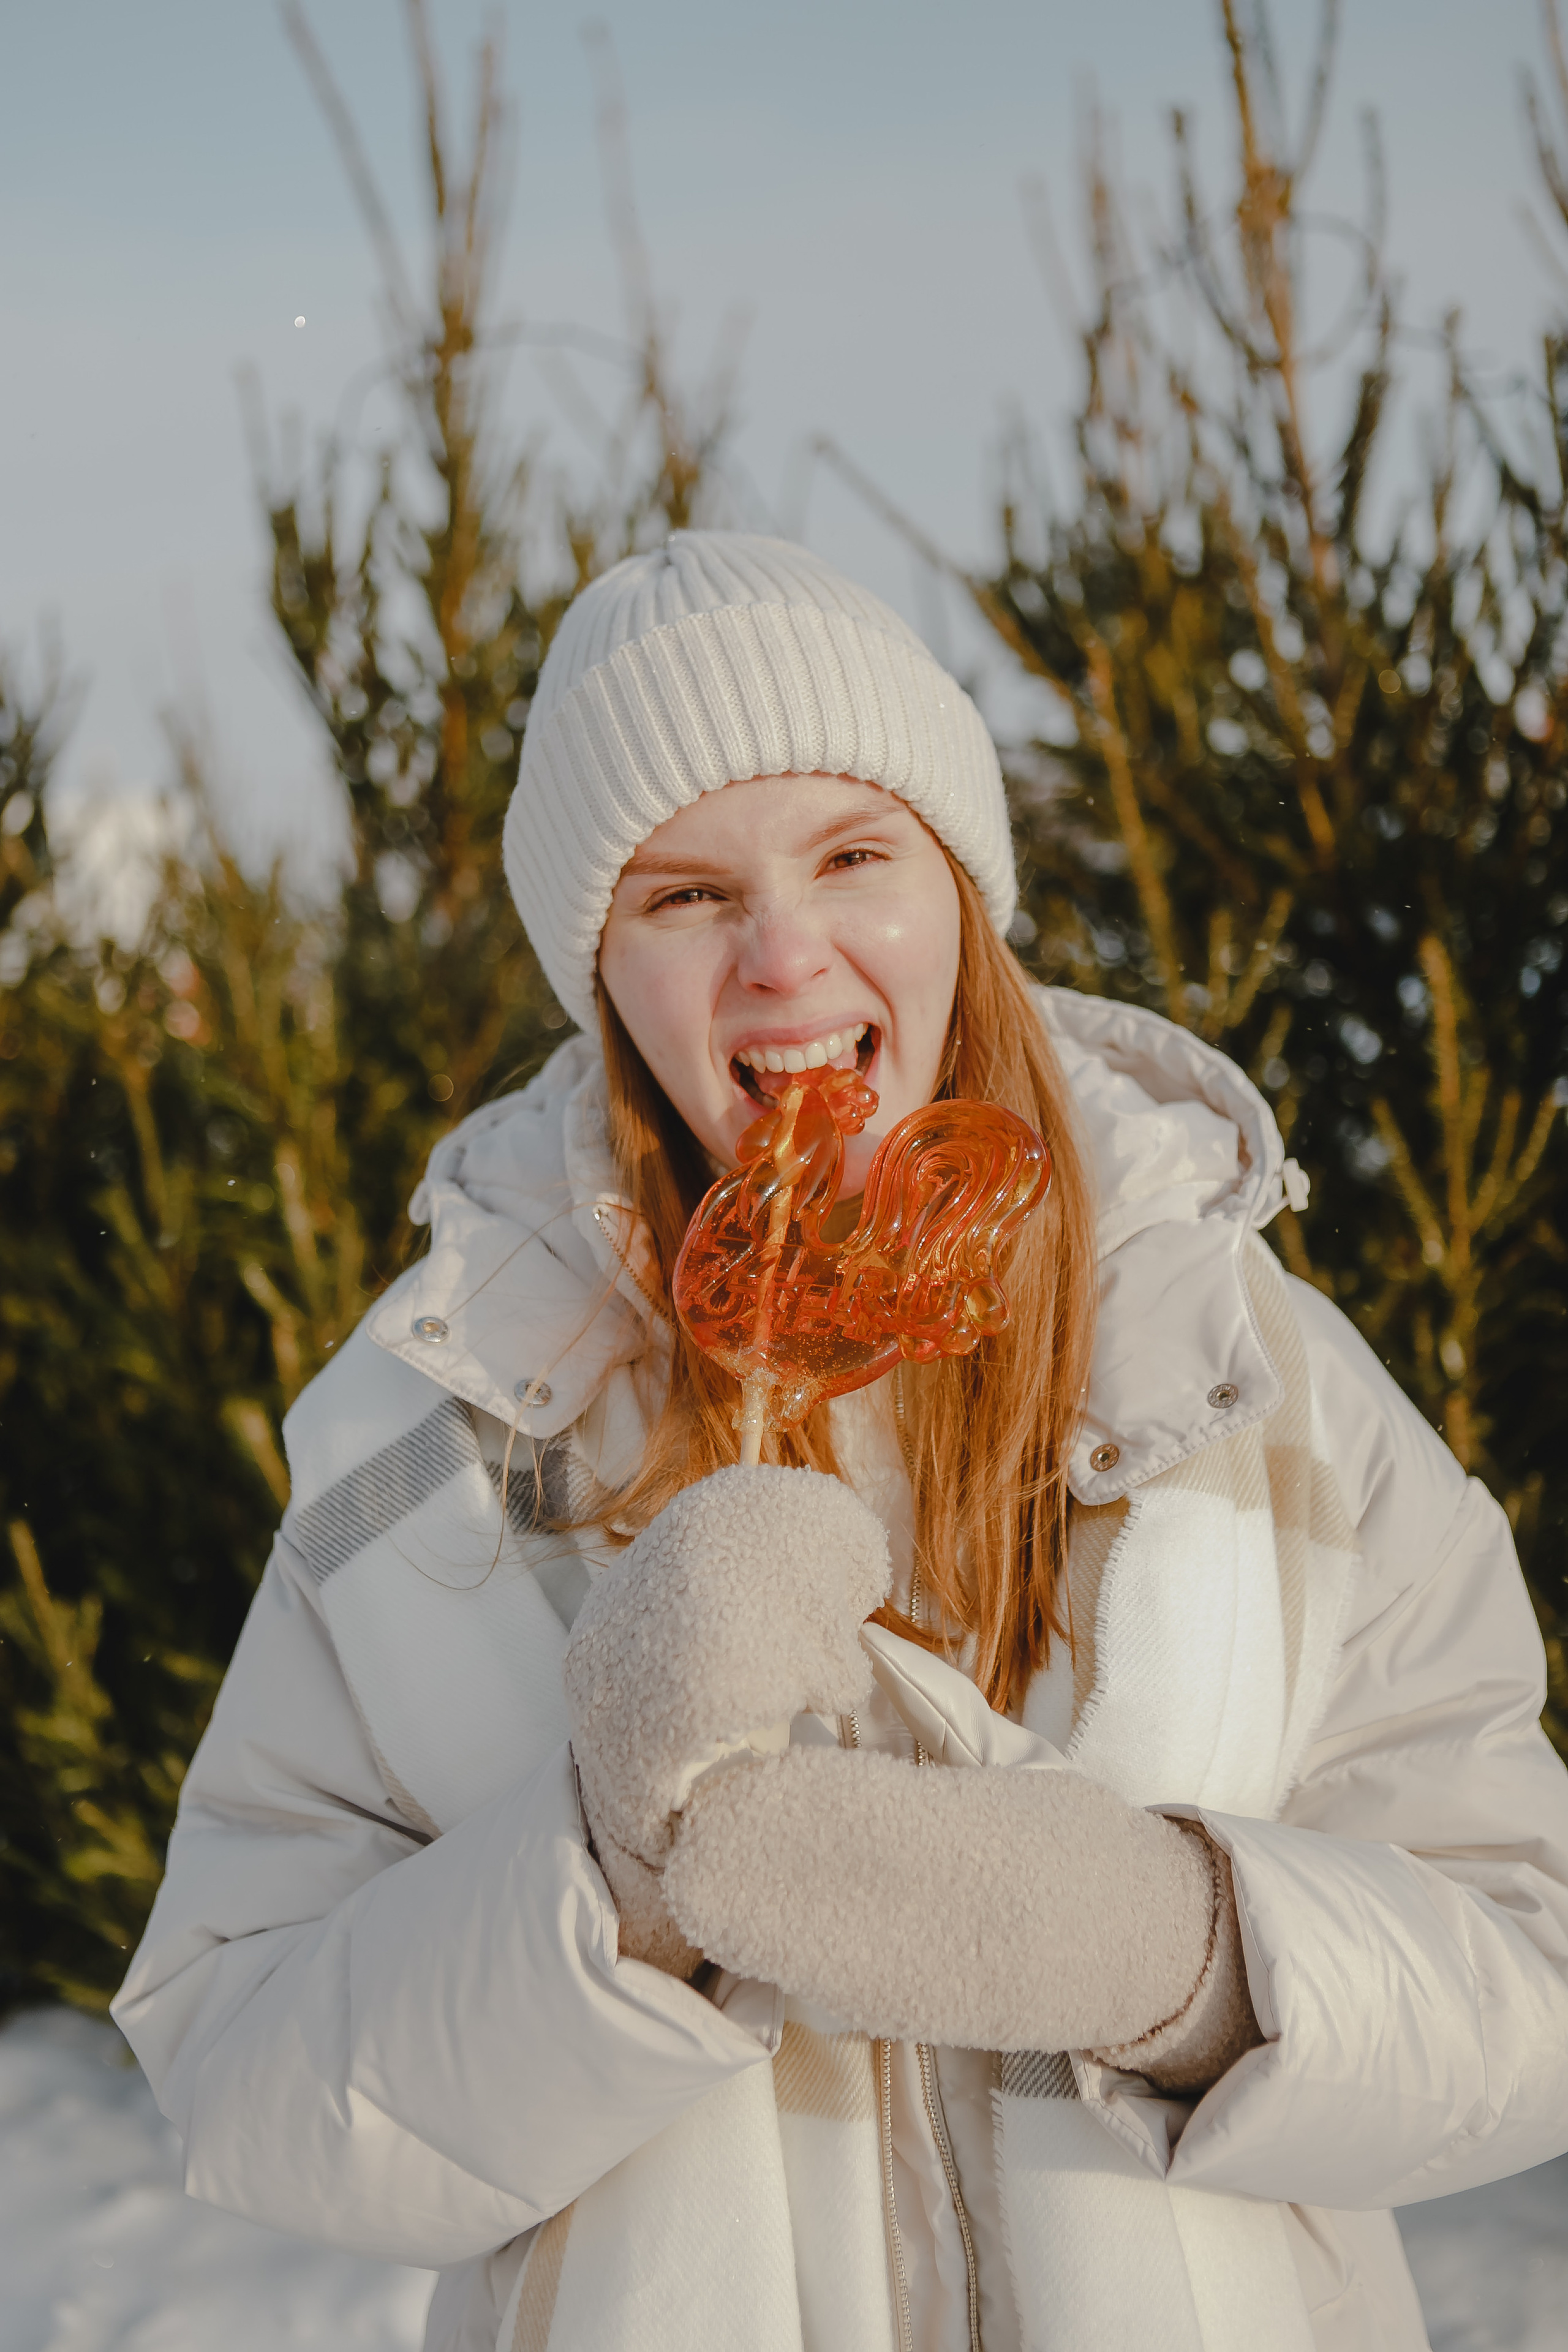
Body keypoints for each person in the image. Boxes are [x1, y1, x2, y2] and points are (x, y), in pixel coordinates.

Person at [114, 533, 1568, 2352]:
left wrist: (1193, 1955)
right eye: (686, 896)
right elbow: (243, 2078)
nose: (784, 956)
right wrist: (609, 1887)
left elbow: (1532, 1960)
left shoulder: (1252, 1367)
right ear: (605, 970)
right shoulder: (426, 1439)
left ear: (959, 890)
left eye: (854, 856)